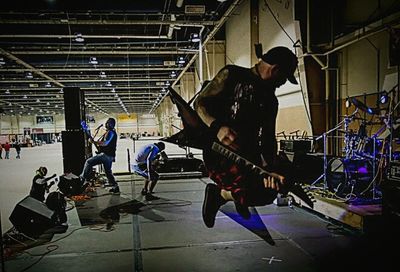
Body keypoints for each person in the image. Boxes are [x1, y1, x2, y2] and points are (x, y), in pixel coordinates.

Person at [193, 46, 299, 228]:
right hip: (218, 152)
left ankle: (238, 197)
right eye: (283, 78)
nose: (282, 84)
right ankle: (218, 194)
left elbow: (268, 137)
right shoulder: (231, 74)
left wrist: (270, 168)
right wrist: (217, 127)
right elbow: (200, 103)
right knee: (246, 190)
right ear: (275, 69)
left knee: (268, 191)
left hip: (248, 155)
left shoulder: (271, 100)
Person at [80, 117, 120, 194]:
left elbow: (105, 143)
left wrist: (95, 142)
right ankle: (115, 187)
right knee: (108, 172)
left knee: (88, 162)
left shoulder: (111, 132)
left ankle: (82, 179)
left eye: (107, 122)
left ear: (110, 124)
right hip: (109, 156)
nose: (106, 124)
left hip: (106, 155)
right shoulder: (109, 132)